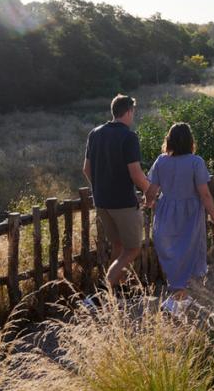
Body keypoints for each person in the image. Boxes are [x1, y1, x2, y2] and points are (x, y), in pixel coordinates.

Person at [144, 122, 214, 314]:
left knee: (171, 253)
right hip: (189, 215)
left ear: (169, 140)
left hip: (165, 213)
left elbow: (151, 191)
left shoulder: (161, 161)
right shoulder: (196, 162)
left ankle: (180, 298)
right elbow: (204, 194)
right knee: (186, 253)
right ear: (190, 141)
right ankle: (176, 300)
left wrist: (150, 204)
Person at [82, 94, 149, 293]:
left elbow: (86, 169)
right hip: (123, 203)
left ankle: (117, 292)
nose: (133, 116)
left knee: (118, 246)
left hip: (102, 202)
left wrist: (102, 187)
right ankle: (105, 289)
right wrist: (149, 190)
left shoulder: (94, 133)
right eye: (133, 112)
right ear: (128, 111)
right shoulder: (129, 136)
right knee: (133, 248)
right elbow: (136, 174)